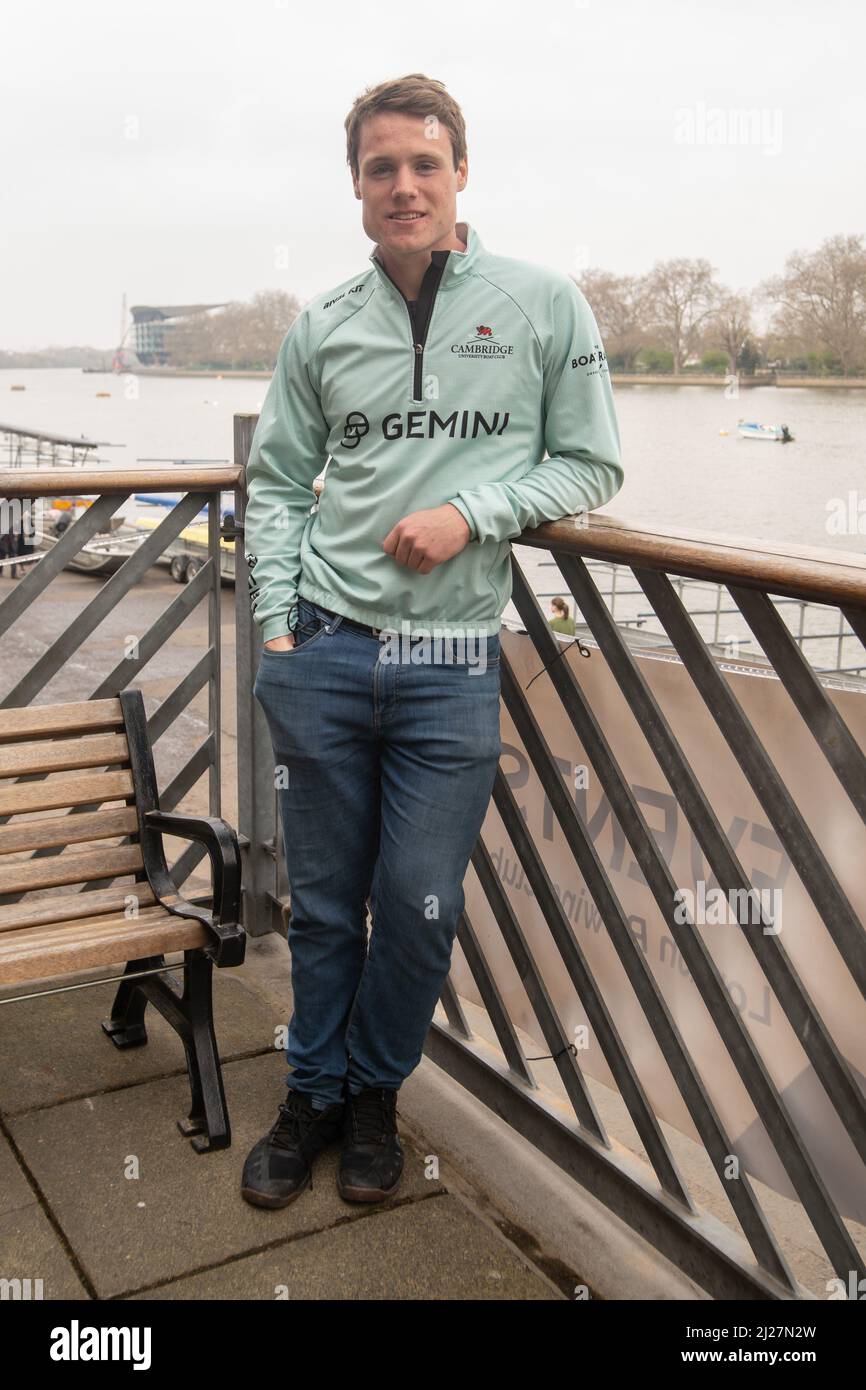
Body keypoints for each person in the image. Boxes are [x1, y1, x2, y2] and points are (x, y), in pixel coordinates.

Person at [241, 72, 623, 1210]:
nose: (401, 186)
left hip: (448, 661)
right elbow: (273, 483)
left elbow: (592, 462)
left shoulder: (545, 303)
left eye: (422, 163)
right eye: (379, 169)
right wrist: (273, 622)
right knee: (319, 903)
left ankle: (374, 1093)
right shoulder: (323, 324)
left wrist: (474, 512)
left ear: (459, 173)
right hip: (324, 645)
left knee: (418, 901)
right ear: (355, 187)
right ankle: (310, 1091)